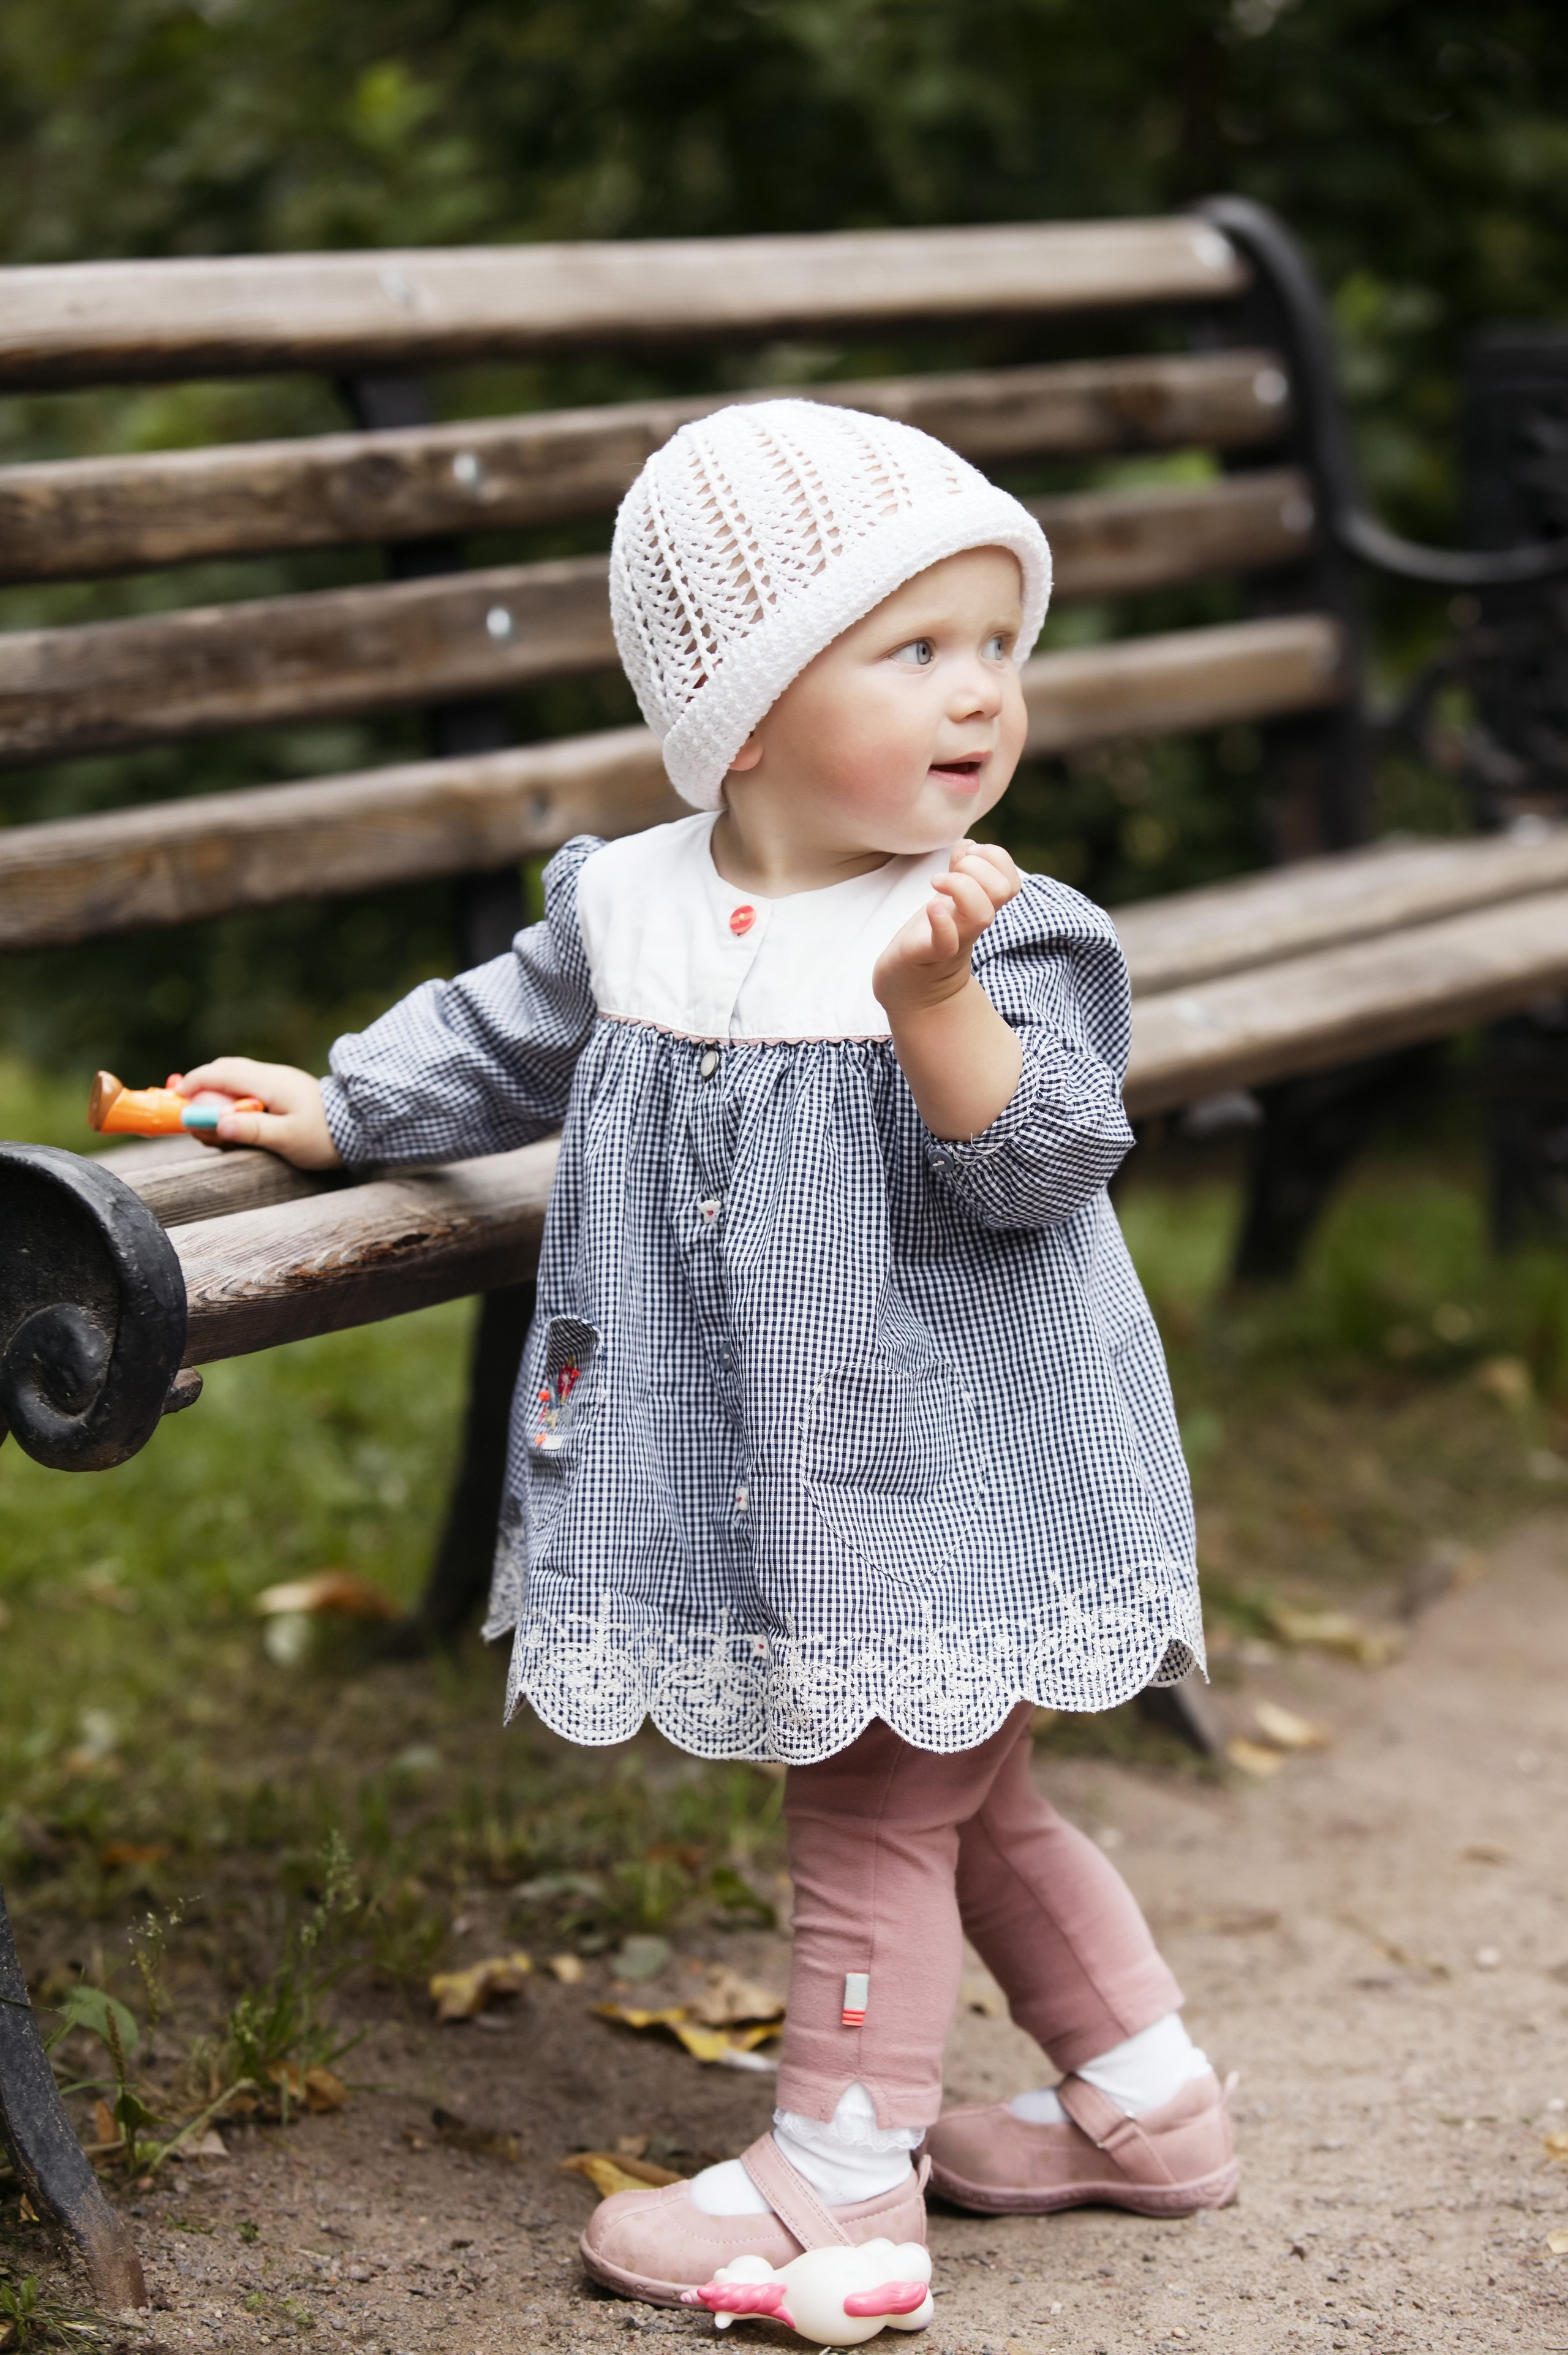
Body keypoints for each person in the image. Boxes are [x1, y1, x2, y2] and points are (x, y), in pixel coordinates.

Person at [184, 399, 1236, 2317]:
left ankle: (840, 2180)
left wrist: (930, 1007)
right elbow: (497, 1035)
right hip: (781, 1457)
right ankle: (1148, 2107)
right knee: (970, 1797)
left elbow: (1044, 1159)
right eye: (913, 650)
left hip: (950, 1462)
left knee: (870, 1797)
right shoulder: (637, 901)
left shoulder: (989, 928)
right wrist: (338, 1107)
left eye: (1002, 644)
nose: (980, 693)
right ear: (741, 711)